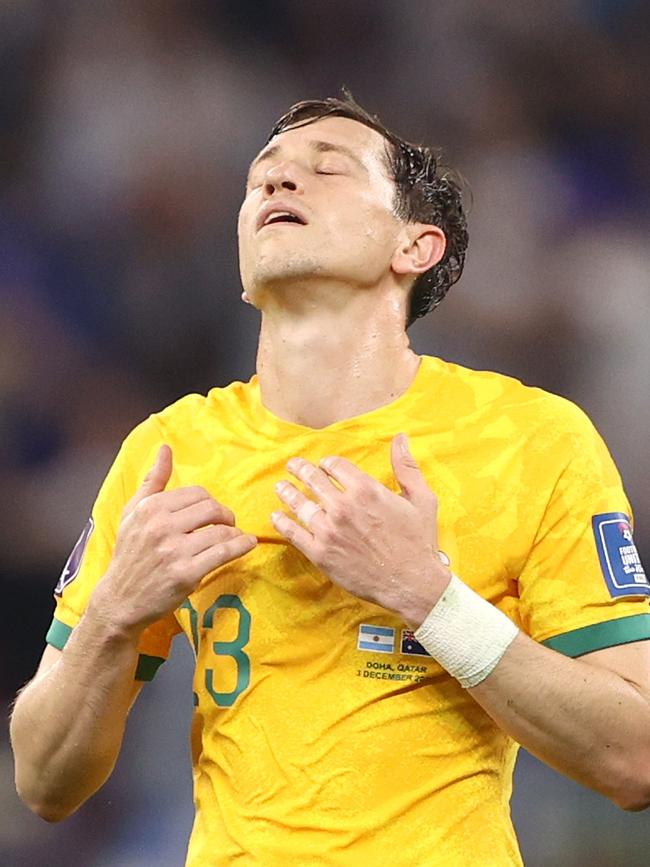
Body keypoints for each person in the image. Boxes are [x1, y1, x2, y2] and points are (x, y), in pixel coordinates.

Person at [10, 94, 650, 866]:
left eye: (326, 168)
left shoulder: (531, 439)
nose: (277, 185)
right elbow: (44, 782)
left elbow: (634, 758)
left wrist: (431, 600)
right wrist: (112, 612)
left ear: (415, 246)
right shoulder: (171, 451)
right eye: (262, 178)